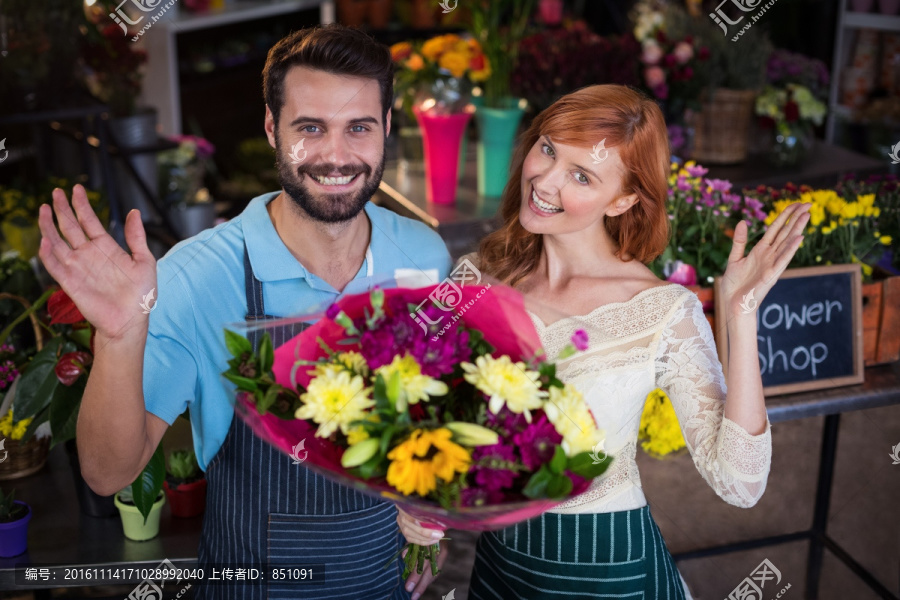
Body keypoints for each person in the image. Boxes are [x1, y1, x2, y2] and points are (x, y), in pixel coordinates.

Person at [38, 24, 451, 600]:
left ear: (386, 128)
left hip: (383, 583)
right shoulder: (196, 277)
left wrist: (430, 530)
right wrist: (118, 335)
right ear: (271, 129)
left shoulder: (425, 256)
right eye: (310, 128)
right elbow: (108, 474)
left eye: (358, 128)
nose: (336, 156)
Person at [397, 84, 811, 598]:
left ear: (623, 200)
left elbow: (741, 484)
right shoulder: (476, 276)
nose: (544, 182)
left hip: (604, 565)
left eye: (581, 175)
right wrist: (414, 507)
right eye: (547, 149)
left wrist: (740, 313)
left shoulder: (663, 311)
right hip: (498, 565)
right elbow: (403, 389)